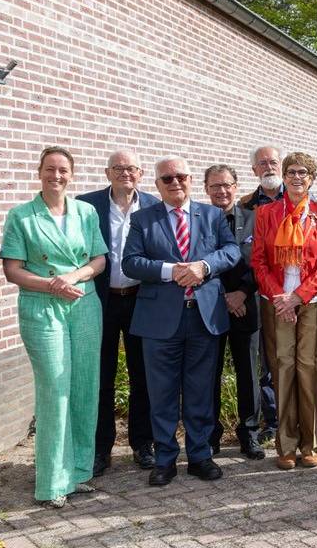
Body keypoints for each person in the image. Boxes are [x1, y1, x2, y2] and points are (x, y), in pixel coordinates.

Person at [122, 156, 240, 486]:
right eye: (167, 179)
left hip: (203, 317)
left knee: (200, 390)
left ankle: (200, 455)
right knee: (161, 393)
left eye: (181, 177)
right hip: (159, 321)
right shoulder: (143, 219)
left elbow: (232, 251)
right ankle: (165, 459)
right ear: (156, 184)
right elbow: (130, 262)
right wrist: (168, 271)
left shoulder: (213, 215)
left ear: (190, 180)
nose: (175, 183)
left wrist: (204, 266)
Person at [0, 146, 107, 507]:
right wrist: (50, 284)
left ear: (71, 174)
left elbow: (99, 259)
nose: (56, 175)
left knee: (84, 387)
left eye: (62, 169)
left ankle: (78, 472)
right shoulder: (22, 216)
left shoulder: (86, 212)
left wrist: (71, 277)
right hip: (42, 307)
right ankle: (51, 483)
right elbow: (12, 269)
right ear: (39, 171)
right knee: (55, 390)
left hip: (84, 304)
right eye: (50, 169)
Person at [239, 145, 317, 442]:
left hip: (315, 301)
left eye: (303, 172)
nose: (296, 177)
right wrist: (280, 297)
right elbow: (258, 261)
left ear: (312, 178)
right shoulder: (266, 213)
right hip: (276, 303)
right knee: (282, 367)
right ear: (284, 177)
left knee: (312, 368)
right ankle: (286, 444)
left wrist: (298, 296)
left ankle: (310, 442)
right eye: (291, 172)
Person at [77, 149, 160, 477]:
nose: (125, 173)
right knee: (101, 376)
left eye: (131, 169)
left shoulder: (154, 205)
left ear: (140, 173)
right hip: (101, 300)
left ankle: (143, 443)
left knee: (144, 375)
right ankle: (100, 448)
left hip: (142, 299)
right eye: (118, 168)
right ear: (107, 172)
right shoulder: (87, 205)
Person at [204, 164, 266, 460]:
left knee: (248, 374)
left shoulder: (256, 220)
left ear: (236, 185)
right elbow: (196, 262)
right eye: (215, 186)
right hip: (210, 309)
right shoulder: (198, 220)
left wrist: (241, 293)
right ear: (206, 189)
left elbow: (261, 262)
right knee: (208, 374)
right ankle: (210, 435)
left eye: (226, 185)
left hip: (247, 307)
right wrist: (223, 297)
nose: (222, 191)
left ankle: (250, 434)